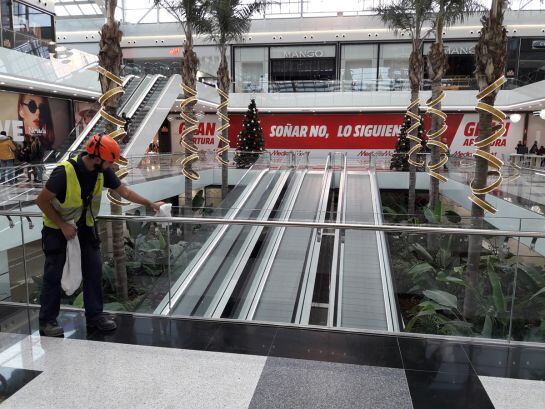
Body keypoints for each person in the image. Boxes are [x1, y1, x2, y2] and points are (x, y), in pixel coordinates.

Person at [36, 133, 164, 337]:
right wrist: (62, 225)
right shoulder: (64, 173)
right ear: (96, 158)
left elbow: (125, 192)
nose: (111, 166)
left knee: (94, 271)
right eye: (109, 161)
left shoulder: (101, 171)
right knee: (53, 276)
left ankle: (95, 317)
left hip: (85, 228)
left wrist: (150, 204)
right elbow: (41, 201)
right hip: (57, 230)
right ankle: (47, 321)